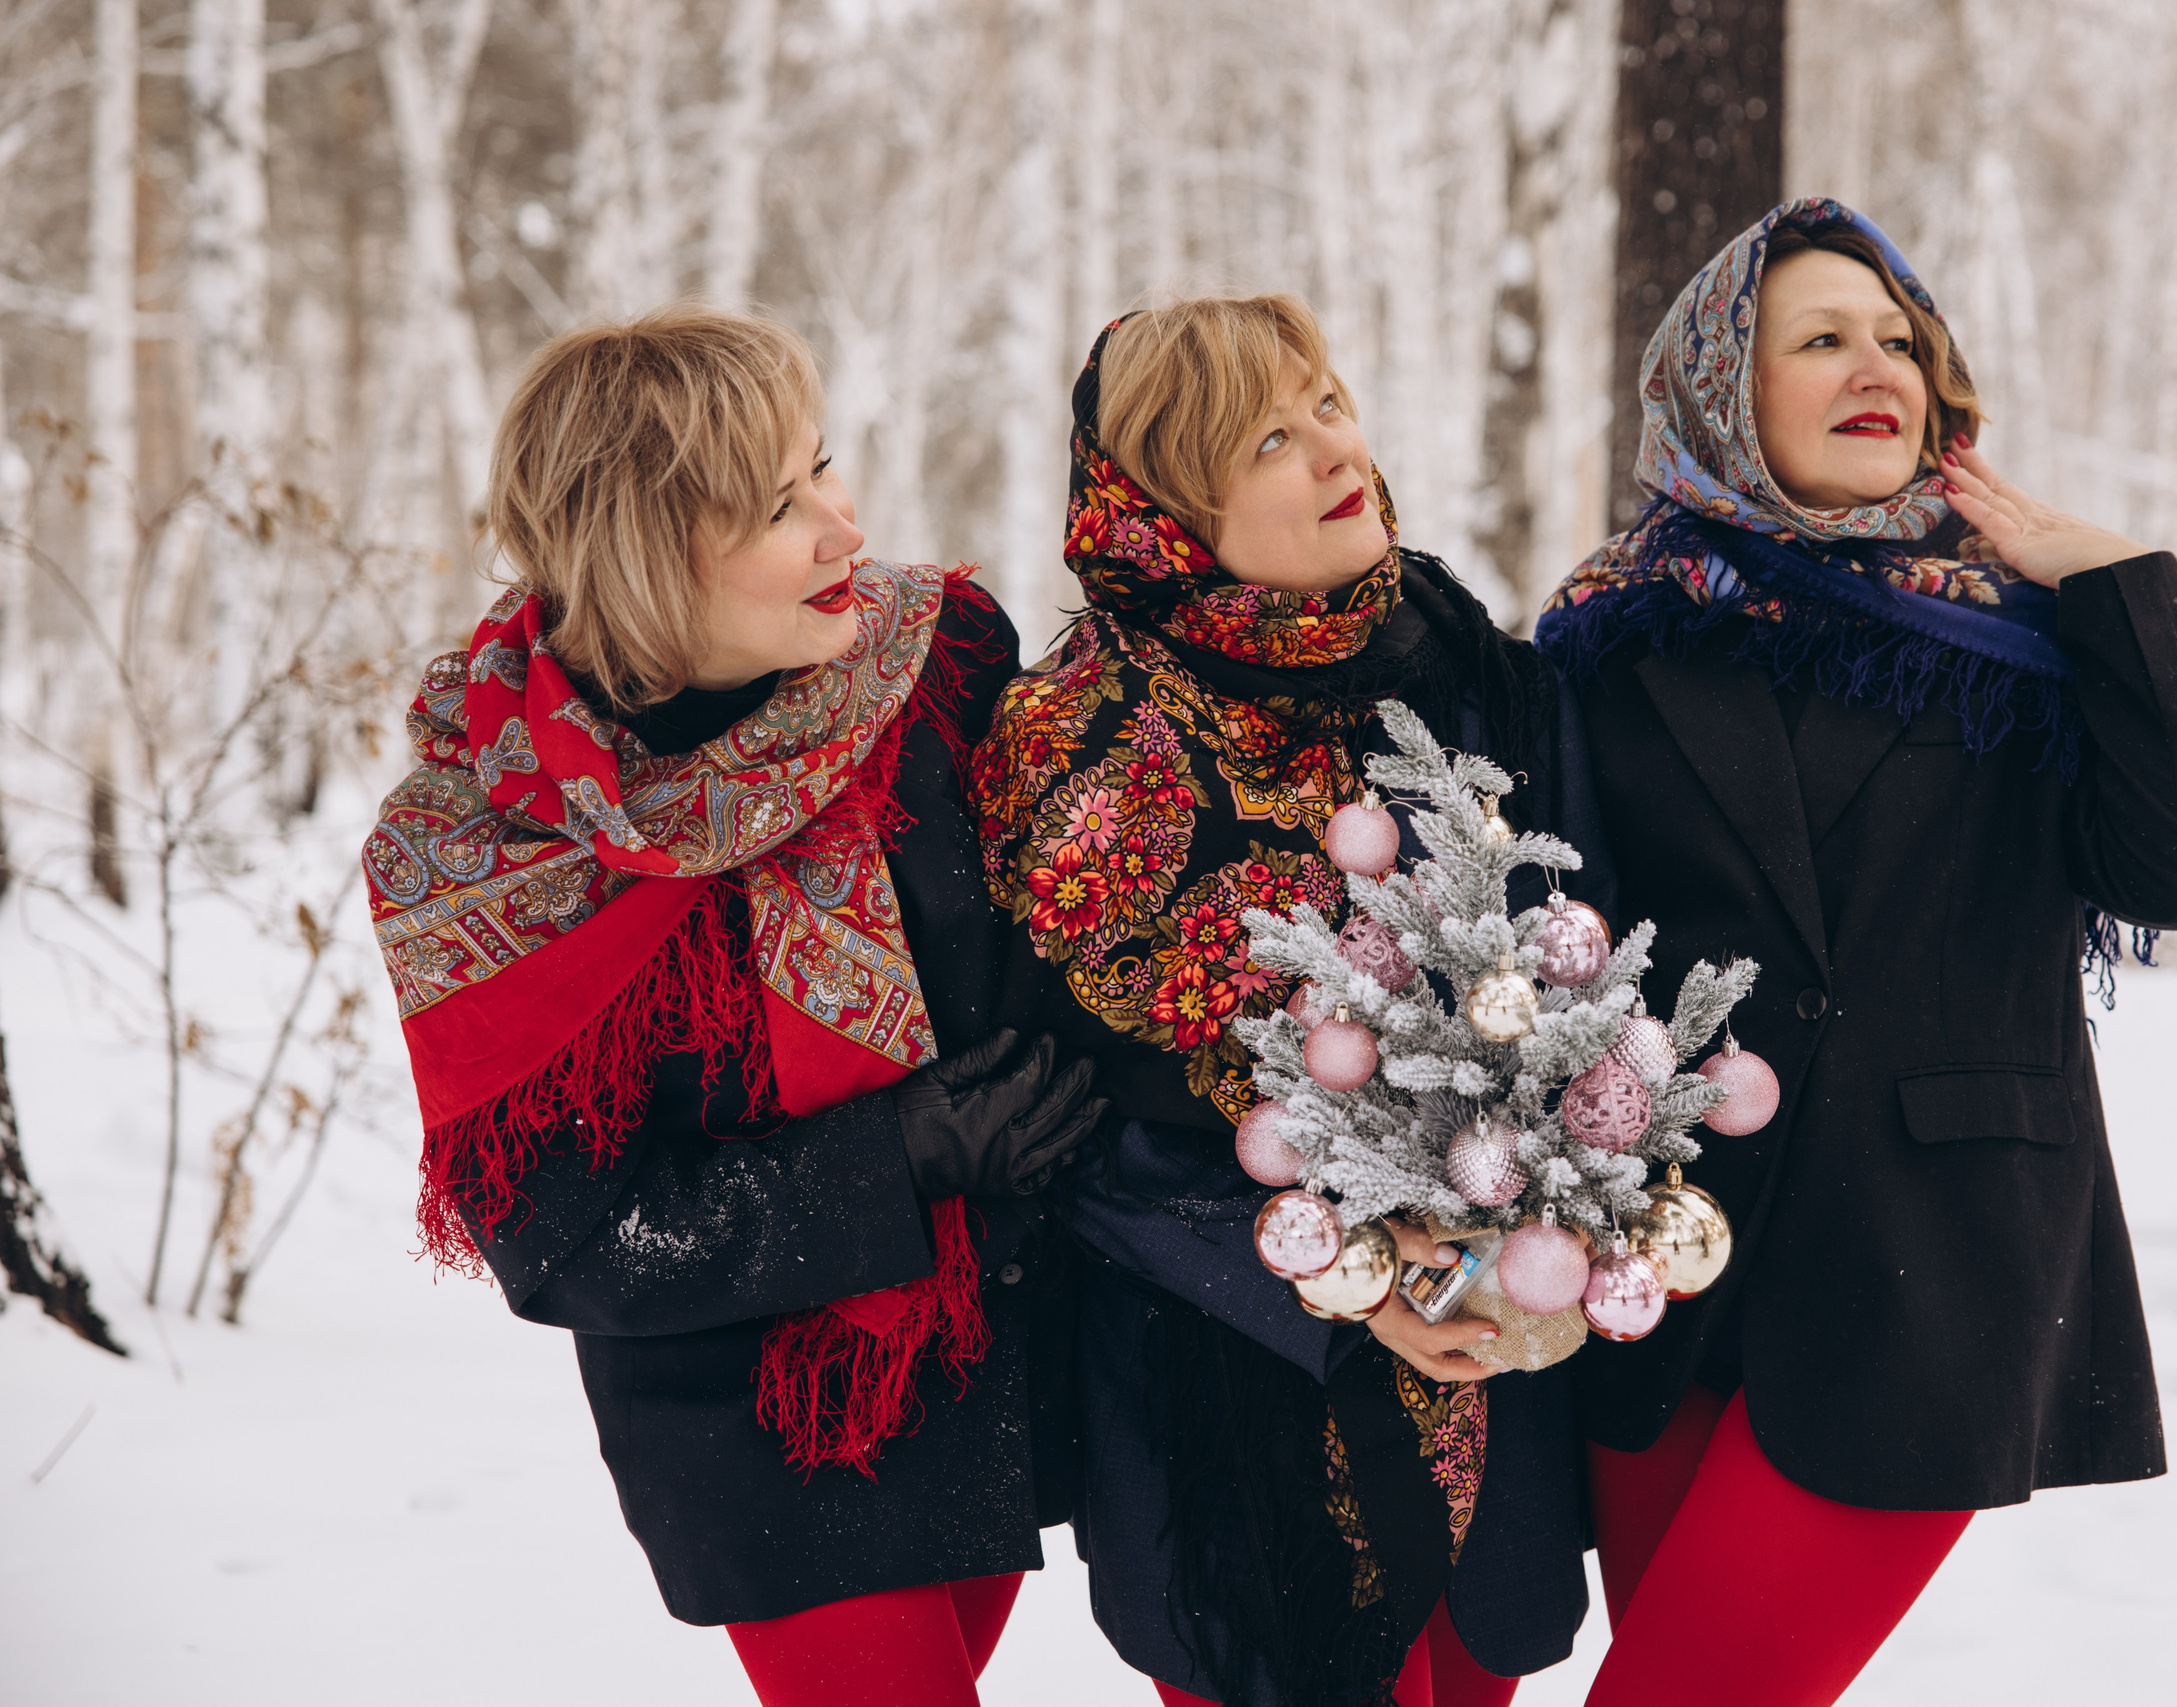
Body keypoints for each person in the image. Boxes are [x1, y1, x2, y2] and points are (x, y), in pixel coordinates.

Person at [1534, 200, 2177, 1705]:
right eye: (1820, 339)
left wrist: (2122, 584)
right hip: (1666, 1282)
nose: (1880, 367)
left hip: (1936, 1282)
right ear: (1724, 390)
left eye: (1900, 340)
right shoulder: (1611, 637)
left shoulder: (2037, 645)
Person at [361, 304, 1110, 1707]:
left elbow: (1078, 919)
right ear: (645, 555)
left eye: (823, 468)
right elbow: (572, 1238)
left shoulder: (931, 668)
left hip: (989, 1356)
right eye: (778, 506)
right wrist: (902, 1156)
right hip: (757, 1426)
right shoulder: (478, 852)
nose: (843, 527)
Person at [968, 296, 1606, 1707]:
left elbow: (1586, 972)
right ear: (1169, 513)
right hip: (1232, 1401)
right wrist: (1347, 1288)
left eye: (1329, 402)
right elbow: (1069, 1132)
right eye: (1269, 434)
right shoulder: (1081, 745)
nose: (1334, 447)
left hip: (1495, 1376)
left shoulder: (1469, 671)